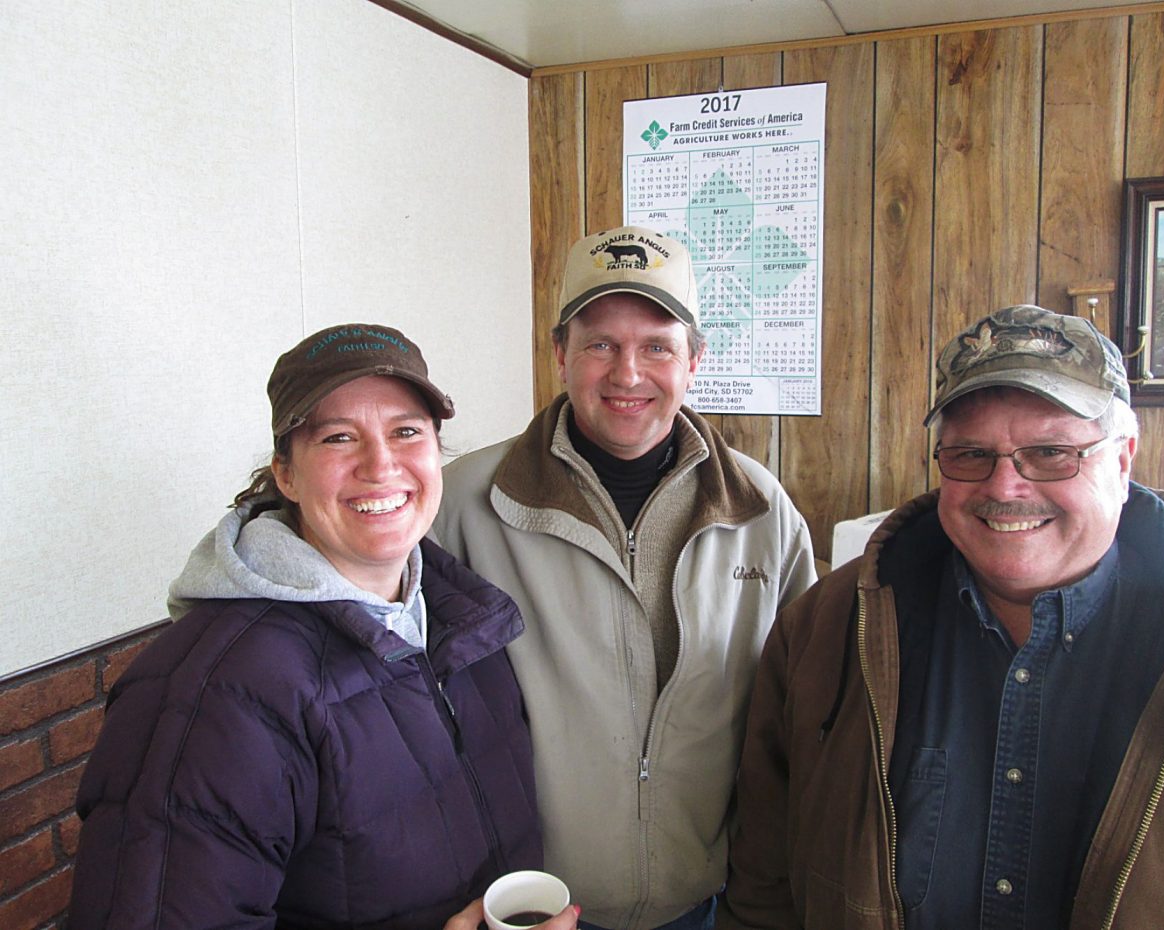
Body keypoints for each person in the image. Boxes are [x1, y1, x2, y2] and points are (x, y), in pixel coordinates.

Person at [717, 304, 1164, 930]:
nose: (1006, 486)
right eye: (970, 454)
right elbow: (764, 884)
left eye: (1050, 452)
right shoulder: (825, 629)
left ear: (1123, 461)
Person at [69, 324, 578, 930]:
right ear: (285, 473)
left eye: (406, 431)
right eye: (339, 437)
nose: (380, 465)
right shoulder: (214, 692)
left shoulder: (460, 619)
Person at [433, 226, 818, 930]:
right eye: (601, 343)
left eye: (658, 346)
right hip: (528, 906)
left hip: (708, 902)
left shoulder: (763, 512)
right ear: (561, 354)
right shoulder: (461, 503)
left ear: (696, 360)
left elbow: (801, 714)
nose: (628, 374)